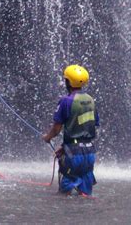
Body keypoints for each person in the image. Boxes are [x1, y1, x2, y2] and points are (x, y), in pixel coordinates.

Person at [42, 64, 100, 196]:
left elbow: (56, 129)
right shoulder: (91, 100)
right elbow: (87, 127)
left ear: (68, 82)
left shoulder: (66, 101)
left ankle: (67, 215)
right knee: (85, 194)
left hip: (73, 153)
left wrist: (47, 138)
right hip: (90, 151)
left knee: (65, 192)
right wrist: (64, 147)